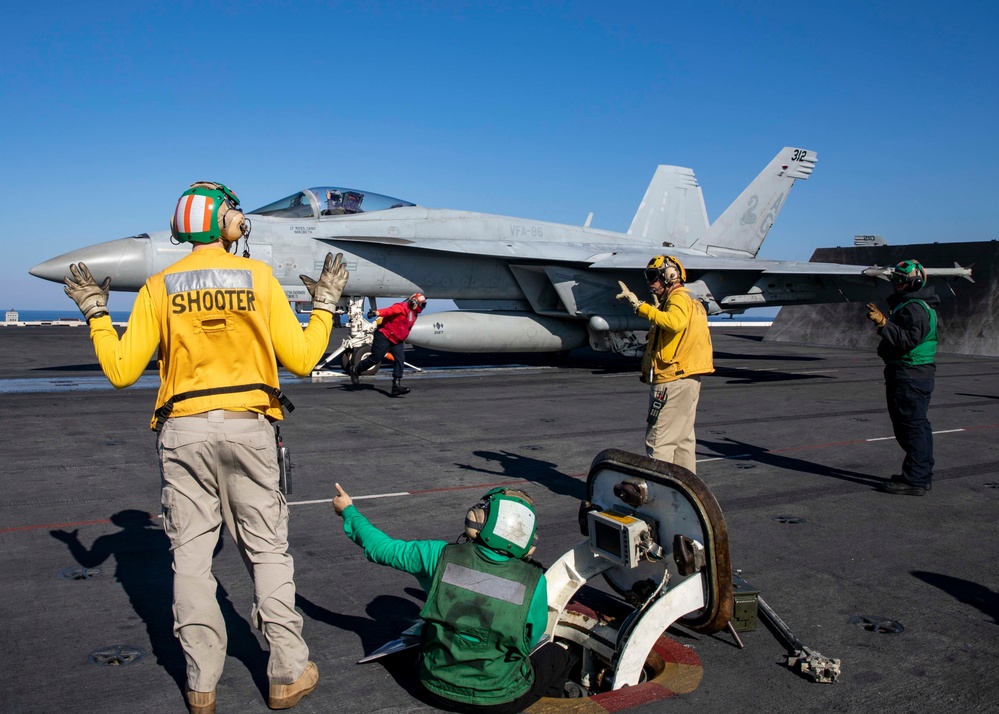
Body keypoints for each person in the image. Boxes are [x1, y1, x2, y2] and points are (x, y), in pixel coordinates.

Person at [62, 181, 350, 714]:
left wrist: (97, 313)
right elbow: (305, 360)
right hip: (249, 428)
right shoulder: (259, 279)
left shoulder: (158, 286)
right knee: (265, 552)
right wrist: (325, 304)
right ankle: (287, 672)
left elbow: (122, 371)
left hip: (184, 432)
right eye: (236, 215)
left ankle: (201, 685)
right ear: (226, 222)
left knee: (191, 562)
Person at [331, 483, 573, 713]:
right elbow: (529, 641)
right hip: (498, 701)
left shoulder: (438, 555)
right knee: (558, 657)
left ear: (478, 518)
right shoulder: (534, 580)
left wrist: (348, 511)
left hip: (432, 686)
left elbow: (380, 548)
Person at [616, 255, 714, 473]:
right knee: (682, 442)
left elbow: (674, 323)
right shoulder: (691, 299)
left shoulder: (678, 299)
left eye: (653, 276)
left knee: (658, 442)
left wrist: (640, 307)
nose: (650, 282)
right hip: (688, 379)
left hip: (672, 381)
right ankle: (685, 495)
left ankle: (659, 498)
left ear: (670, 276)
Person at [866, 259, 939, 496]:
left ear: (914, 282)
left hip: (909, 373)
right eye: (894, 279)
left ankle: (915, 480)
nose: (896, 284)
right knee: (918, 426)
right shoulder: (919, 306)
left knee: (910, 427)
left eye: (900, 280)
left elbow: (908, 340)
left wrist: (884, 324)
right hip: (916, 373)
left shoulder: (913, 308)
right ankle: (919, 474)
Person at [349, 292, 426, 396]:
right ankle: (355, 370)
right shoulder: (401, 308)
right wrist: (375, 313)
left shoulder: (414, 313)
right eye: (422, 304)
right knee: (375, 359)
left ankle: (396, 386)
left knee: (400, 359)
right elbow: (388, 311)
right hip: (384, 336)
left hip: (397, 341)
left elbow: (406, 326)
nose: (422, 307)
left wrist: (404, 337)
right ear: (413, 302)